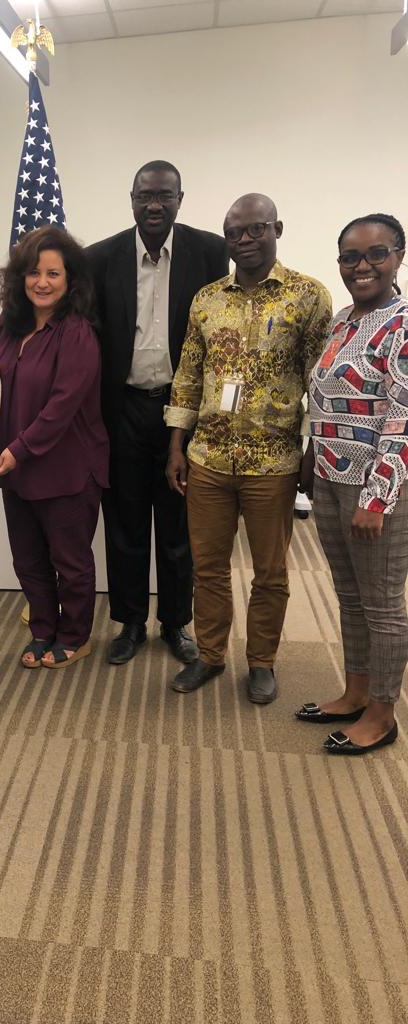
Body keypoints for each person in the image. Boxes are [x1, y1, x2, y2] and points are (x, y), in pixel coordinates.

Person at [165, 194, 332, 703]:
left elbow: (319, 381)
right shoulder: (207, 299)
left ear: (276, 227)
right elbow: (189, 375)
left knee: (271, 571)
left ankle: (262, 661)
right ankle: (212, 656)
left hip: (273, 461)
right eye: (234, 232)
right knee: (208, 565)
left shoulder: (308, 296)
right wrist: (177, 444)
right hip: (209, 457)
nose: (243, 240)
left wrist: (311, 452)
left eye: (254, 229)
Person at [87, 160, 229, 667]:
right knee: (124, 521)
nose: (154, 205)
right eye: (145, 195)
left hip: (181, 408)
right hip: (121, 407)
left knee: (177, 524)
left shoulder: (211, 251)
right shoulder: (99, 258)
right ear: (131, 198)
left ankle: (174, 622)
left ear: (179, 199)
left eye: (164, 196)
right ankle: (128, 622)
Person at [296, 214, 408, 755]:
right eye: (350, 257)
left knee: (383, 602)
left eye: (376, 254)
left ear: (399, 258)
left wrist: (378, 495)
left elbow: (402, 416)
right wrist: (311, 456)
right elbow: (322, 396)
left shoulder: (404, 323)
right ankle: (356, 690)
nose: (362, 266)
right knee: (350, 596)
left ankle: (383, 713)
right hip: (328, 477)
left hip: (376, 489)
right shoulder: (341, 321)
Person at [0, 226, 109, 668]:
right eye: (34, 272)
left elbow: (61, 407)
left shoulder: (77, 333)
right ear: (19, 277)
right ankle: (42, 632)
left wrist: (17, 450)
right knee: (28, 559)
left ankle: (74, 635)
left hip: (67, 467)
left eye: (53, 273)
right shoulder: (7, 324)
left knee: (70, 561)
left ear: (70, 280)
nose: (43, 282)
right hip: (16, 467)